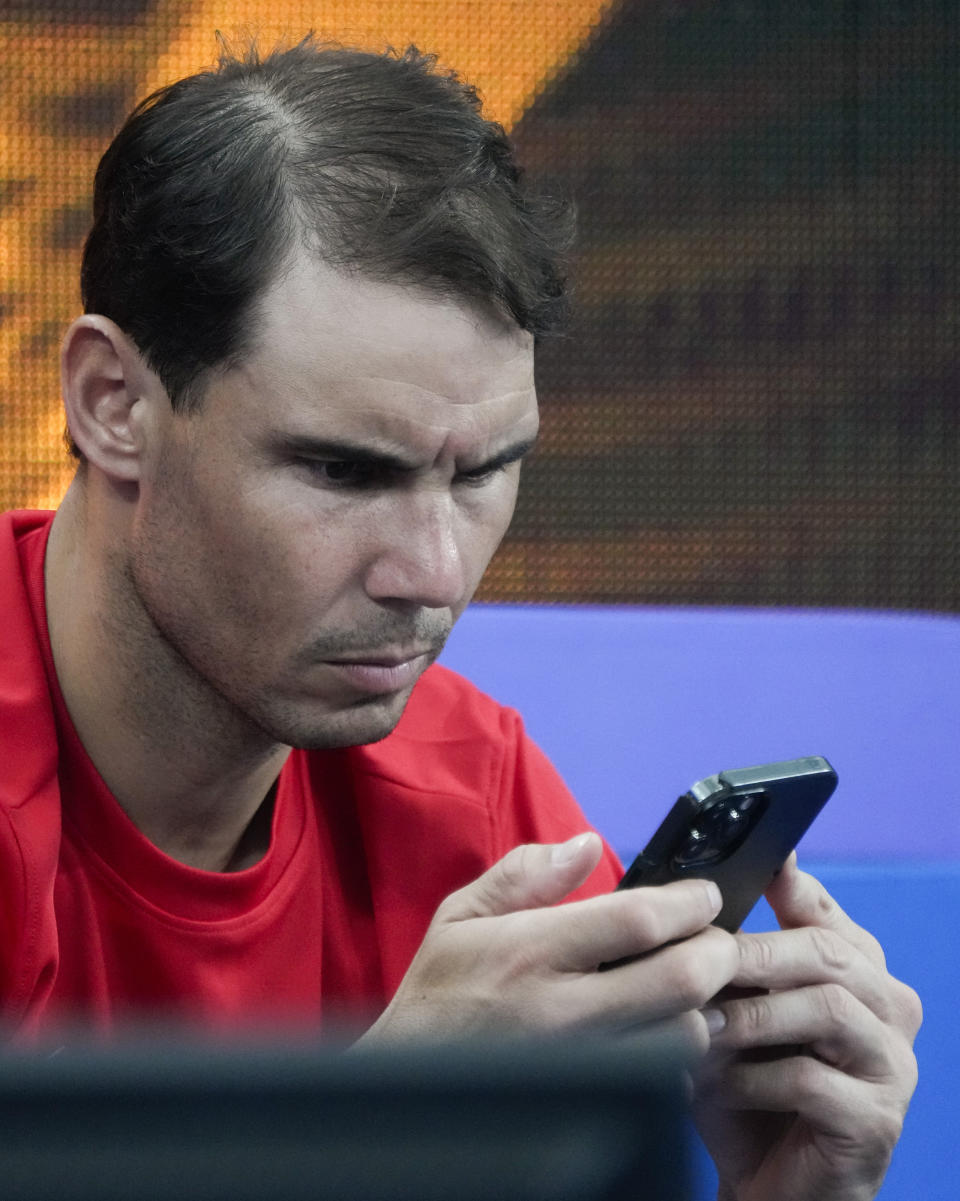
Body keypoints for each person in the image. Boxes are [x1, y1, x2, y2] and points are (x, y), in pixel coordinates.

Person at [0, 37, 919, 1201]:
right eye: (342, 470)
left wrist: (790, 1197)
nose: (433, 574)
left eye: (486, 470)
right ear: (111, 403)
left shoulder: (471, 794)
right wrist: (381, 1128)